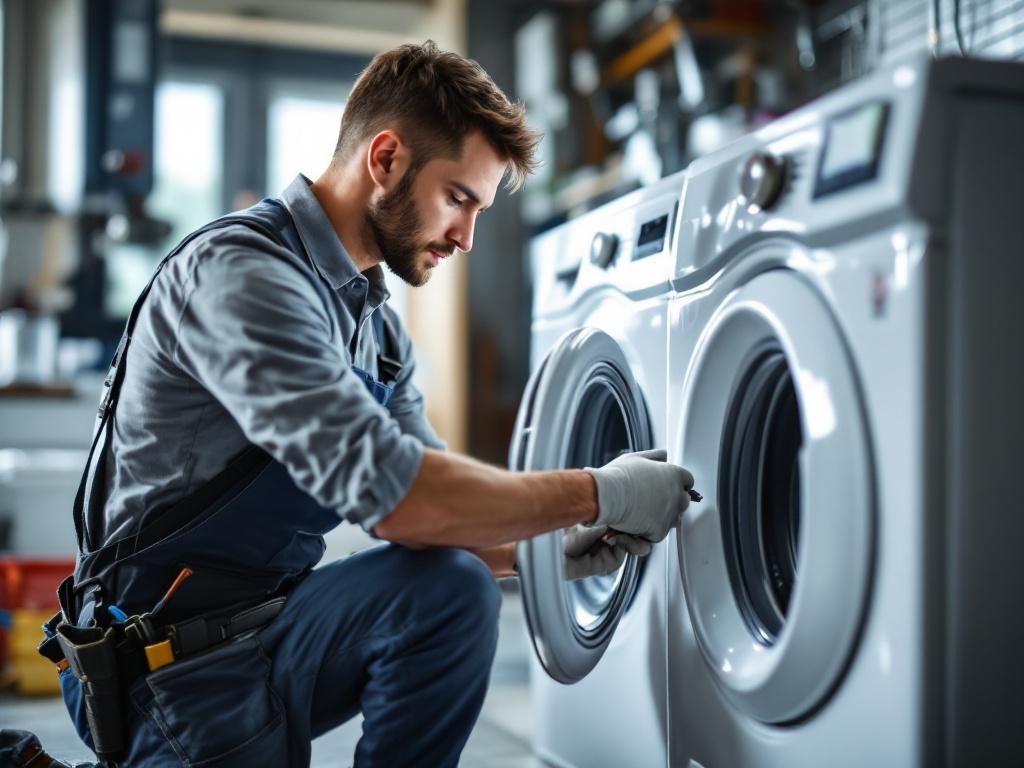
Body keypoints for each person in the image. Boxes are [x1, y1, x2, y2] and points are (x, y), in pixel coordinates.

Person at [3, 41, 694, 768]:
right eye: (458, 198)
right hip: (164, 669)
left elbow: (438, 514)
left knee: (451, 591)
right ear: (387, 158)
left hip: (268, 634)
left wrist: (549, 553)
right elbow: (404, 503)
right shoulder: (244, 277)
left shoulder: (377, 331)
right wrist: (597, 493)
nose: (465, 236)